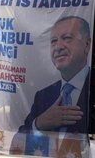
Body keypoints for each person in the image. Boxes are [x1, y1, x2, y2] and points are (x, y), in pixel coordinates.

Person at [10, 16, 91, 156]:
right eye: (53, 41)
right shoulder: (43, 96)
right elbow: (15, 145)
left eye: (67, 38)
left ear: (87, 44)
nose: (58, 47)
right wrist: (40, 123)